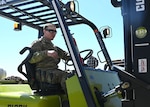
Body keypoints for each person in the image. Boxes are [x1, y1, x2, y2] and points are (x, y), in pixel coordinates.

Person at [29, 23, 70, 93]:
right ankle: (72, 99)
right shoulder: (38, 43)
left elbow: (66, 55)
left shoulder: (54, 47)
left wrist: (75, 57)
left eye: (55, 31)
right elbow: (31, 58)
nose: (53, 33)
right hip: (43, 72)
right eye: (51, 31)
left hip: (53, 71)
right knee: (66, 77)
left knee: (74, 75)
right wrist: (46, 53)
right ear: (44, 31)